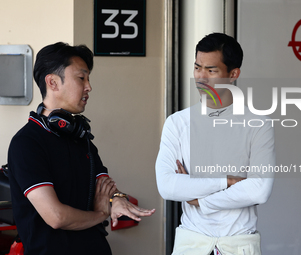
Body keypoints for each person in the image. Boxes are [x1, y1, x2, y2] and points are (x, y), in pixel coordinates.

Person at [8, 42, 155, 255]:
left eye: (88, 79)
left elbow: (105, 187)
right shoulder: (27, 143)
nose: (89, 87)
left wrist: (118, 200)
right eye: (81, 78)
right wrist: (101, 213)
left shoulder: (81, 138)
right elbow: (56, 217)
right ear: (52, 82)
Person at [155, 33, 275, 255]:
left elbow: (259, 190)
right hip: (191, 245)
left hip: (239, 245)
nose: (201, 77)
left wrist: (198, 199)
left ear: (233, 74)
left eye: (211, 70)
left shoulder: (258, 125)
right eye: (197, 67)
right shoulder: (177, 123)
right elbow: (167, 185)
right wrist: (227, 181)